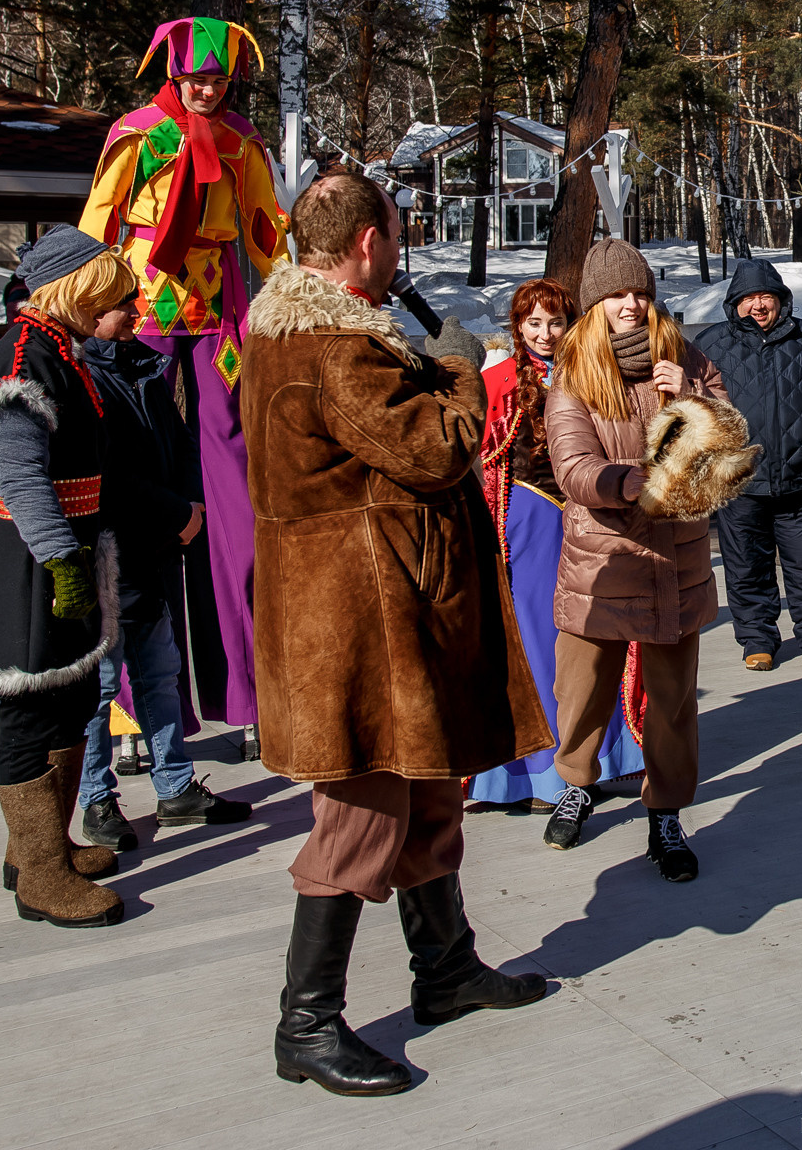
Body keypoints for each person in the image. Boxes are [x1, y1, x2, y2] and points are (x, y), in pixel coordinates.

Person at [242, 174, 551, 1096]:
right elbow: (441, 448)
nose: (400, 247)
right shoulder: (339, 348)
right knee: (362, 816)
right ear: (369, 242)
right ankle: (307, 1023)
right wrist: (462, 367)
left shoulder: (289, 333)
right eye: (397, 232)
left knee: (423, 796)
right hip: (361, 622)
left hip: (369, 610)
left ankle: (446, 970)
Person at [79, 17, 288, 748]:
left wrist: (301, 283)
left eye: (218, 79)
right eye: (196, 77)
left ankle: (254, 693)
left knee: (233, 495)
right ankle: (135, 706)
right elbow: (99, 225)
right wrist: (79, 304)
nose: (206, 89)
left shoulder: (239, 141)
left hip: (219, 323)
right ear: (173, 72)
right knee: (135, 481)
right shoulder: (136, 134)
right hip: (139, 315)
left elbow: (265, 230)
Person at [0, 228, 140, 928]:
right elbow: (20, 479)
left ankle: (43, 849)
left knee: (68, 695)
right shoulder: (24, 361)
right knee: (30, 710)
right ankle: (39, 875)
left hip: (70, 553)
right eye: (118, 296)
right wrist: (62, 562)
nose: (130, 309)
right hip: (33, 559)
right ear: (80, 290)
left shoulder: (61, 353)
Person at [545, 239, 757, 863]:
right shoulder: (573, 374)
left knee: (671, 699)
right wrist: (624, 482)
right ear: (595, 303)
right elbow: (572, 465)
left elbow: (727, 440)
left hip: (674, 558)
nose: (631, 305)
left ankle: (665, 811)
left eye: (639, 292)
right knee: (582, 689)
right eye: (616, 294)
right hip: (604, 556)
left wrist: (690, 392)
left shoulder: (686, 357)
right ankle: (577, 786)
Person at [74, 305, 255, 852]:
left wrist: (188, 504)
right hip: (107, 551)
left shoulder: (146, 371)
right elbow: (108, 470)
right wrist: (171, 510)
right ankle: (96, 798)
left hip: (153, 552)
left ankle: (175, 785)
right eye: (120, 306)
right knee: (101, 687)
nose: (134, 313)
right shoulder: (82, 377)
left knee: (159, 672)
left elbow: (175, 444)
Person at [472, 278, 643, 809]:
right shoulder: (496, 380)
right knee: (535, 642)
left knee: (596, 632)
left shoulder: (596, 373)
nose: (545, 334)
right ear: (517, 327)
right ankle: (540, 772)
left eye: (556, 322)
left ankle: (603, 754)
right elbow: (476, 457)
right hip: (526, 520)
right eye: (533, 323)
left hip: (593, 519)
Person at [696, 258, 802, 674]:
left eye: (765, 296)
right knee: (746, 566)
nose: (757, 305)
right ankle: (757, 639)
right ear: (734, 303)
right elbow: (692, 413)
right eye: (748, 297)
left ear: (781, 300)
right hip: (738, 483)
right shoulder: (709, 346)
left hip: (800, 479)